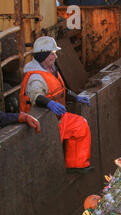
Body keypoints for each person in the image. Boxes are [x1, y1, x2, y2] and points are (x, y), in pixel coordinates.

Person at [19, 36, 93, 174]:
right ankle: (64, 169)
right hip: (40, 123)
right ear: (43, 55)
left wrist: (76, 97)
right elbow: (36, 96)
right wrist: (50, 103)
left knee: (80, 126)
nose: (55, 56)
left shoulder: (50, 69)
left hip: (57, 117)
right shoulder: (35, 77)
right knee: (75, 128)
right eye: (52, 53)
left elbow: (59, 89)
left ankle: (76, 165)